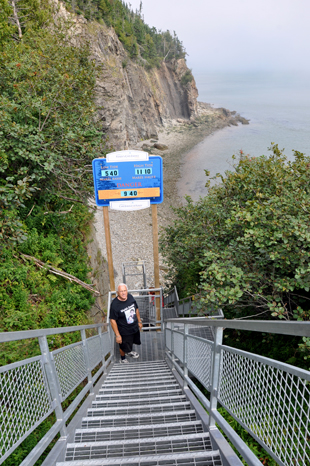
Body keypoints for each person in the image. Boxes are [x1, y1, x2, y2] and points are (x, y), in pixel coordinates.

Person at [109, 283, 143, 364]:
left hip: (134, 327)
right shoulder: (115, 305)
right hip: (124, 330)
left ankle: (129, 352)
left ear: (127, 291)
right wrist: (117, 335)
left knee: (131, 341)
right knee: (123, 345)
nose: (123, 293)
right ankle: (123, 359)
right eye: (121, 291)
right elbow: (112, 320)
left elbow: (136, 309)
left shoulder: (130, 297)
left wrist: (139, 321)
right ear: (117, 292)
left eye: (125, 290)